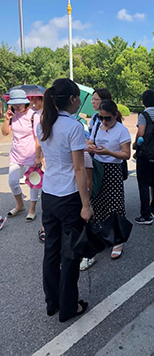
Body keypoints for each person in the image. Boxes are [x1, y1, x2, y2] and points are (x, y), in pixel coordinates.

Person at [37, 78, 92, 322]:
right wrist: (86, 204)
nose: (80, 101)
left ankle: (53, 303)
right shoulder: (74, 127)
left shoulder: (44, 123)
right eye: (78, 97)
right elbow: (79, 170)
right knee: (70, 254)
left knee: (51, 251)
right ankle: (69, 307)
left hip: (48, 194)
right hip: (69, 197)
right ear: (72, 99)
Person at [87, 99, 131, 259]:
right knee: (98, 202)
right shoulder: (98, 126)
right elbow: (90, 141)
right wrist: (90, 146)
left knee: (115, 203)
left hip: (113, 169)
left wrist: (109, 152)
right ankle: (103, 235)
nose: (104, 121)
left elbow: (126, 155)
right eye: (101, 117)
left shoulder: (121, 130)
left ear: (115, 115)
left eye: (107, 118)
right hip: (97, 167)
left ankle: (118, 240)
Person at [1, 89, 40, 221]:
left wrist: (38, 156)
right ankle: (20, 204)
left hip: (30, 154)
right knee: (12, 181)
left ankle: (32, 208)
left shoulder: (33, 115)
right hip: (16, 154)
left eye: (20, 103)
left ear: (25, 103)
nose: (17, 106)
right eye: (14, 103)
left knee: (33, 183)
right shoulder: (13, 115)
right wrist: (7, 119)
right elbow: (5, 133)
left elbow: (38, 138)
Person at [134, 90, 154, 224]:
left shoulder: (143, 115)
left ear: (143, 101)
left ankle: (145, 215)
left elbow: (141, 133)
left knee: (143, 183)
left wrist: (136, 145)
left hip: (145, 153)